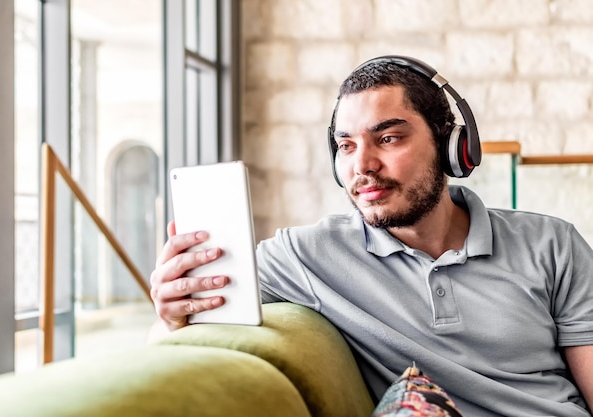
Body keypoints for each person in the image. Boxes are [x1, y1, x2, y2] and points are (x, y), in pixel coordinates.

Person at [149, 55, 593, 416]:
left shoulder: (553, 244)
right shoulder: (304, 257)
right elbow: (183, 331)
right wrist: (169, 314)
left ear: (450, 146)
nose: (362, 166)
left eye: (389, 138)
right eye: (346, 146)